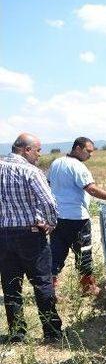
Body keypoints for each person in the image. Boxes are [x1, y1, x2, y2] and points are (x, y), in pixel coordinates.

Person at [0, 133, 63, 343]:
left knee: (11, 285)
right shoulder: (30, 171)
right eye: (37, 150)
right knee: (42, 283)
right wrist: (51, 223)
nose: (39, 154)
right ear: (26, 150)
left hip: (3, 234)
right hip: (30, 233)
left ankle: (17, 333)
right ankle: (52, 332)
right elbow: (48, 203)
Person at [48, 137, 106, 295]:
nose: (90, 155)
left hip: (57, 217)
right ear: (78, 148)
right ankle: (88, 288)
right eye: (89, 151)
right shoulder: (78, 166)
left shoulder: (56, 163)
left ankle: (50, 289)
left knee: (56, 252)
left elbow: (48, 185)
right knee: (84, 252)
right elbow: (92, 190)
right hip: (77, 218)